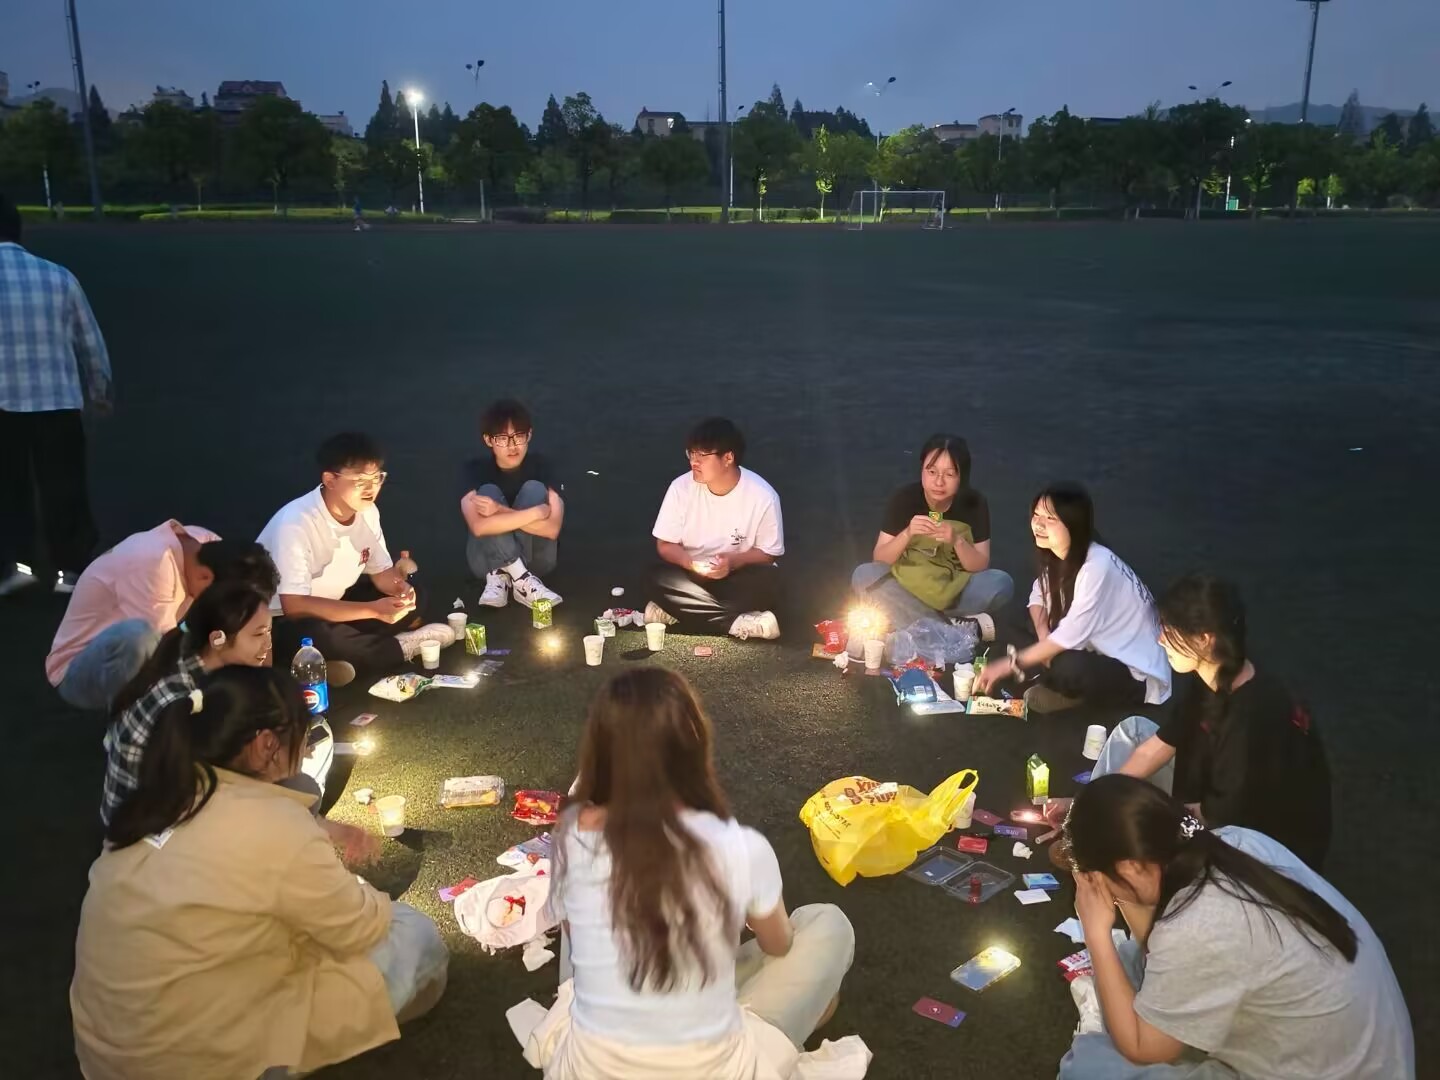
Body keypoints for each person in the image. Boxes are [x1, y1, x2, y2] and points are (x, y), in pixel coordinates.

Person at [71, 666, 449, 1079]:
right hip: (198, 1060)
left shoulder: (159, 794)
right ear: (267, 744)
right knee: (415, 934)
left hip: (110, 1056)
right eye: (305, 739)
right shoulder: (275, 825)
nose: (308, 752)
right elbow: (361, 928)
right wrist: (358, 890)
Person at [525, 668, 855, 1078]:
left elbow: (579, 938)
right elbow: (778, 945)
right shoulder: (738, 847)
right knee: (826, 924)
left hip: (587, 1068)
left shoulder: (571, 835)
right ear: (694, 746)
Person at [1056, 775, 1412, 1080]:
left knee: (1087, 1066)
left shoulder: (1194, 924)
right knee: (1130, 960)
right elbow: (1153, 947)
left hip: (1329, 1071)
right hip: (1369, 1055)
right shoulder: (1235, 841)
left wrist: (1095, 931)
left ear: (1130, 867)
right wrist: (1119, 890)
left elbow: (1142, 1049)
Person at [1089, 574, 1332, 871]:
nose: (1161, 639)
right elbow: (1158, 746)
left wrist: (1138, 818)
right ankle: (1091, 820)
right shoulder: (1216, 671)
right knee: (1134, 733)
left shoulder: (1251, 715)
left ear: (1204, 639)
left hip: (1261, 841)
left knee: (1152, 849)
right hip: (1215, 795)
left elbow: (1220, 815)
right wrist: (1094, 803)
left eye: (1169, 631)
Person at [257, 431, 453, 673]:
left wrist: (401, 590)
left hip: (336, 603)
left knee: (417, 595)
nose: (371, 488)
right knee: (318, 636)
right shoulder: (296, 522)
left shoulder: (368, 512)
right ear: (330, 480)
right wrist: (373, 610)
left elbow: (381, 573)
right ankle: (398, 647)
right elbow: (294, 606)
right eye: (360, 480)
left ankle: (340, 659)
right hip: (283, 619)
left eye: (377, 478)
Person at [0, 193, 111, 597]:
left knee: (8, 489)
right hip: (57, 400)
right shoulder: (58, 277)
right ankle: (71, 570)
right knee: (64, 487)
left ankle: (18, 567)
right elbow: (89, 341)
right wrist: (99, 391)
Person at [976, 483, 1169, 712]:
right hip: (1090, 643)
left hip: (1132, 671)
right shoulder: (1062, 550)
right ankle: (1041, 670)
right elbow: (1038, 595)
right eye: (1036, 515)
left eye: (1050, 518)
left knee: (1070, 667)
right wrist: (1043, 634)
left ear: (1074, 524)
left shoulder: (1098, 565)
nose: (1038, 524)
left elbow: (1070, 634)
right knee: (1013, 617)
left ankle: (1067, 692)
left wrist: (1010, 663)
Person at [45, 522, 276, 711]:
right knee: (140, 637)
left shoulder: (206, 545)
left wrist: (266, 688)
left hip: (156, 649)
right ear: (205, 577)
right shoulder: (153, 567)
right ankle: (127, 724)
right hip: (80, 670)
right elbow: (166, 660)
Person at [851, 434, 1014, 630]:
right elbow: (880, 558)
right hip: (907, 587)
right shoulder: (904, 498)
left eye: (949, 474)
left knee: (1001, 582)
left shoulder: (975, 503)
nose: (939, 482)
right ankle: (948, 629)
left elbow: (980, 565)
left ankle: (917, 622)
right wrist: (907, 533)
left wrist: (957, 541)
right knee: (864, 575)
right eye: (932, 472)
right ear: (922, 470)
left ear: (962, 476)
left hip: (953, 592)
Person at [647, 418, 784, 640]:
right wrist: (690, 563)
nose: (694, 462)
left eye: (702, 455)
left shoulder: (763, 495)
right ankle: (737, 623)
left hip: (737, 574)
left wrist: (732, 562)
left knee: (771, 582)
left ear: (728, 458)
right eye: (691, 454)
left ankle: (680, 610)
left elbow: (769, 554)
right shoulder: (680, 488)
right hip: (692, 575)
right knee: (656, 576)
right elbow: (665, 544)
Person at [461, 398, 564, 610]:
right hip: (486, 564)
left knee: (534, 488)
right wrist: (537, 512)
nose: (512, 446)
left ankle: (511, 574)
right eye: (502, 439)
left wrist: (499, 510)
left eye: (518, 436)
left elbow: (552, 529)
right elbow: (478, 527)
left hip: (537, 560)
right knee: (487, 491)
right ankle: (520, 577)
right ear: (488, 440)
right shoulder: (474, 470)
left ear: (529, 435)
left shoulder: (542, 466)